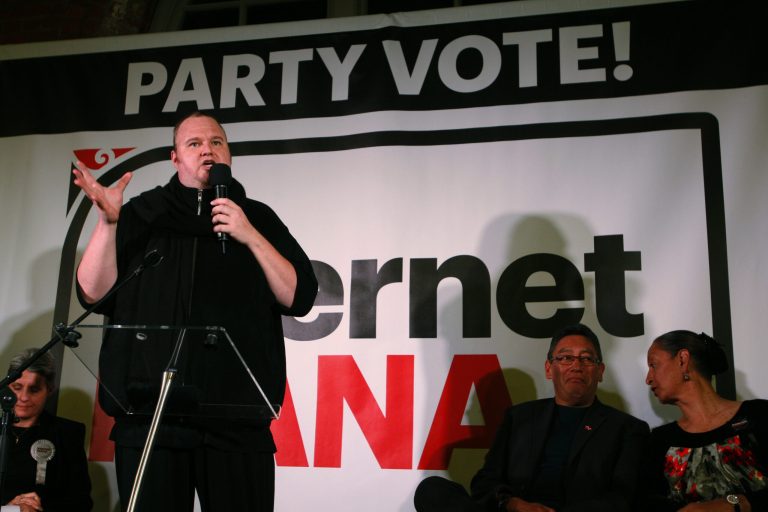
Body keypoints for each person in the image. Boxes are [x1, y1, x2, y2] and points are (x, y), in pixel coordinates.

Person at [72, 111, 318, 511]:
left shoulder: (257, 218)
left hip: (235, 422)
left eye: (216, 142)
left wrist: (249, 235)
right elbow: (92, 294)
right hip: (151, 419)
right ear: (175, 158)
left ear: (229, 155)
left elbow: (300, 297)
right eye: (195, 143)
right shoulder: (142, 214)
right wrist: (108, 223)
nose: (208, 149)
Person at [414, 323, 650, 512]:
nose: (576, 365)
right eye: (566, 358)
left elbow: (622, 499)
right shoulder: (519, 417)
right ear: (549, 369)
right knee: (431, 490)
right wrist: (513, 504)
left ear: (600, 371)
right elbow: (485, 482)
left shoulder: (627, 429)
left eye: (587, 358)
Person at [641, 330, 767, 512]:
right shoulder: (660, 441)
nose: (648, 378)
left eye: (654, 365)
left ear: (682, 360)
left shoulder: (759, 415)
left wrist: (732, 503)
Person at [1, 348, 92, 512]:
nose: (23, 397)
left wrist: (36, 508)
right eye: (17, 387)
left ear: (49, 390)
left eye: (34, 389)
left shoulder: (67, 433)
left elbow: (81, 502)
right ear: (7, 386)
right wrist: (10, 509)